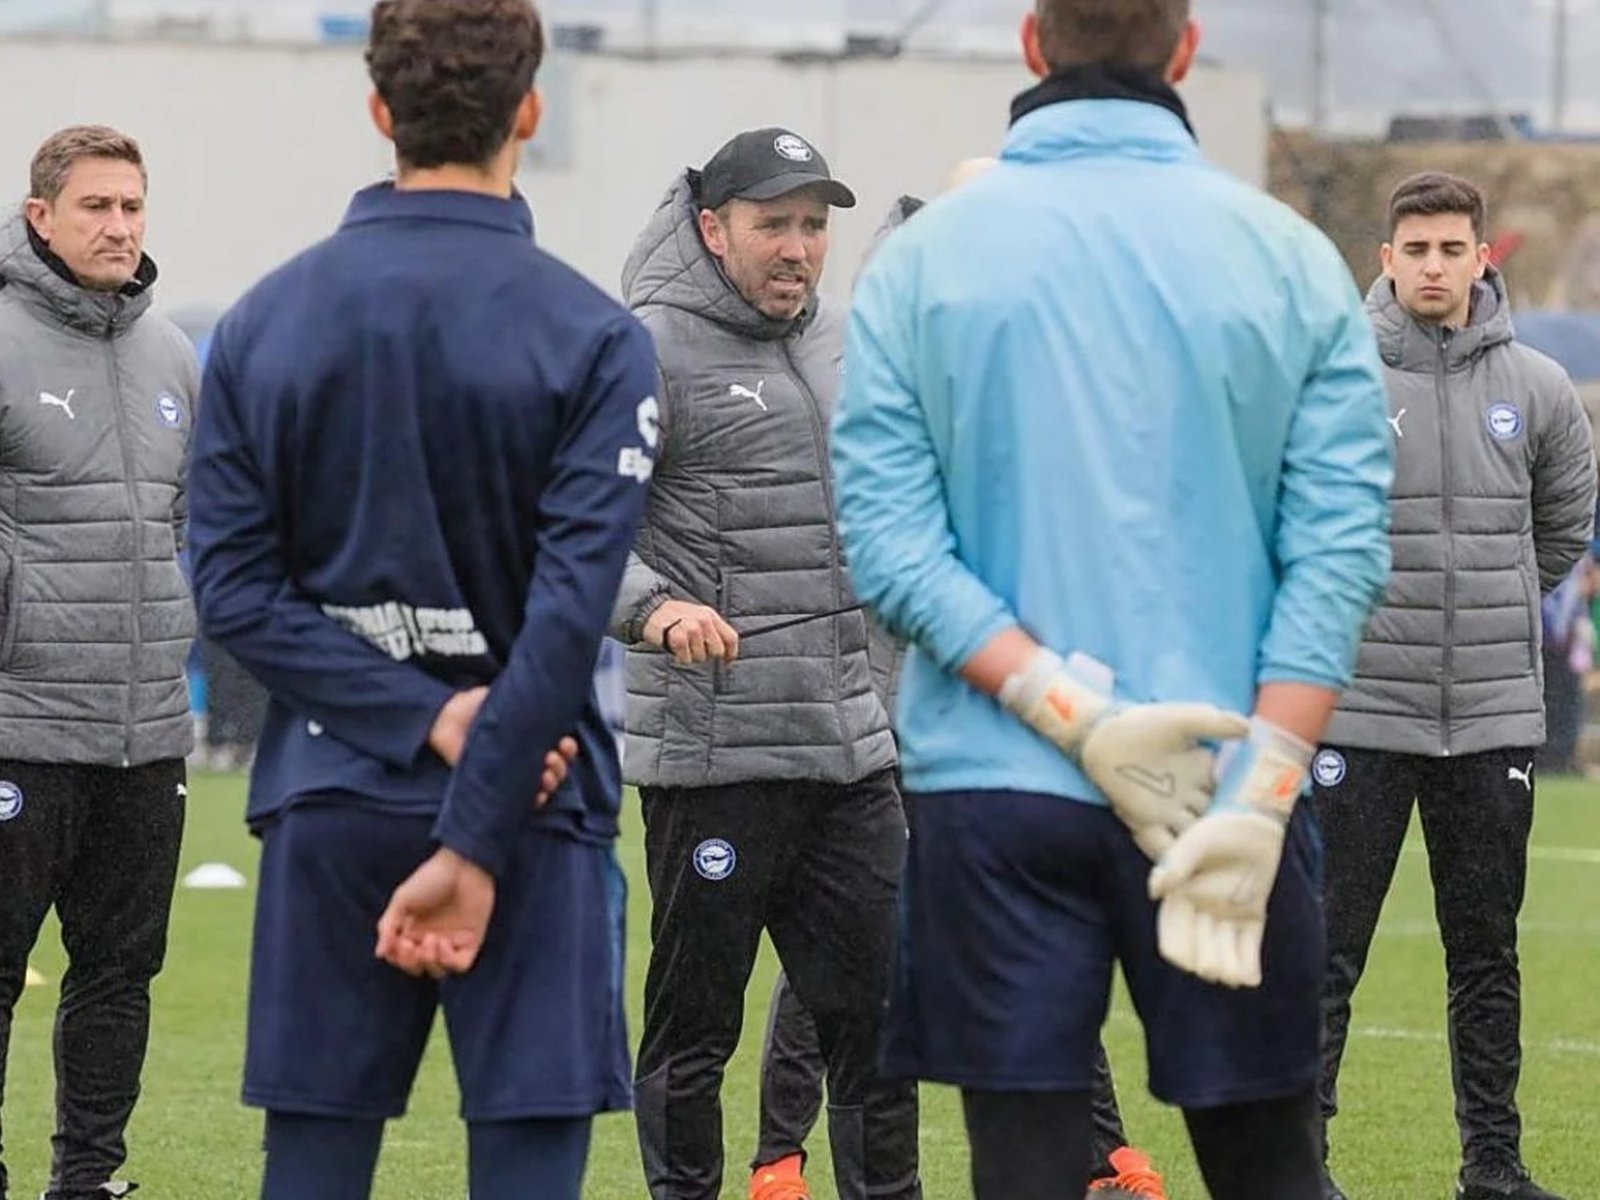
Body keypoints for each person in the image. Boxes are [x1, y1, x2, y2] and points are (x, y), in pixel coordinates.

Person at [831, 0, 1396, 1196]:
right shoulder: (1286, 255)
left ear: (1032, 44)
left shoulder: (925, 258)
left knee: (1022, 1169)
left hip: (998, 783)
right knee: (1268, 1167)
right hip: (1224, 777)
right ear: (1184, 50)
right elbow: (1338, 551)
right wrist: (1265, 791)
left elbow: (887, 542)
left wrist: (1066, 710)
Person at [186, 3, 657, 1198]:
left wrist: (413, 718)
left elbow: (232, 592)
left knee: (313, 1170)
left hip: (333, 796)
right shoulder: (595, 336)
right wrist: (470, 787)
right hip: (534, 812)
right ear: (530, 112)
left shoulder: (260, 322)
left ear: (379, 113)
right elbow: (567, 620)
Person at [752, 170, 1168, 1200]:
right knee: (848, 951)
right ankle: (778, 1157)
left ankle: (1099, 1155)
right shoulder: (860, 384)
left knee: (1038, 933)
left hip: (997, 718)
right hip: (877, 715)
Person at [610, 127, 920, 1200]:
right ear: (711, 228)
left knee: (885, 1033)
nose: (797, 247)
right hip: (716, 761)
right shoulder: (641, 347)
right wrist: (655, 611)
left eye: (814, 225)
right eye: (772, 223)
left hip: (849, 752)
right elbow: (569, 530)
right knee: (696, 1033)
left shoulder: (839, 340)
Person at [1315, 172, 1596, 1200]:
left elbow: (1561, 530)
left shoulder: (1539, 387)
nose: (1434, 266)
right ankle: (1304, 1164)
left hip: (1488, 720)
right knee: (1325, 954)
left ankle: (1492, 1164)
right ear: (1385, 260)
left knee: (1485, 954)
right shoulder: (1332, 379)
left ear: (1484, 257)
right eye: (1415, 250)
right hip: (1358, 713)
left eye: (1452, 249)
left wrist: (1492, 599)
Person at [0, 123, 199, 1200]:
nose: (119, 226)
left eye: (131, 207)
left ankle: (90, 1179)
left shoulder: (170, 353)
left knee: (121, 973)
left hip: (144, 725)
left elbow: (180, 523)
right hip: (19, 718)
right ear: (41, 217)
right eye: (95, 207)